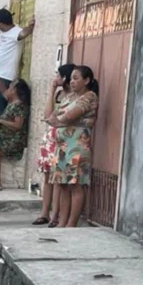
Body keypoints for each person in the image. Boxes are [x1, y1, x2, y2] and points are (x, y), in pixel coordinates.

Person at [47, 65, 98, 228]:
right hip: (62, 147)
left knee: (75, 185)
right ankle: (62, 222)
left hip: (76, 146)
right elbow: (49, 116)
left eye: (76, 78)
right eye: (71, 78)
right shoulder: (68, 97)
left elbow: (69, 116)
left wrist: (60, 120)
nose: (72, 81)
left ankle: (71, 224)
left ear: (87, 80)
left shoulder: (89, 96)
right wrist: (52, 91)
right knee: (63, 185)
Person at [32, 64, 74, 227]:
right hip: (50, 137)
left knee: (58, 179)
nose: (55, 78)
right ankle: (45, 213)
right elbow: (47, 114)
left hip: (62, 139)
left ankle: (56, 214)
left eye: (58, 75)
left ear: (65, 78)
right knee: (47, 177)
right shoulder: (59, 94)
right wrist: (51, 90)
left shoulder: (74, 97)